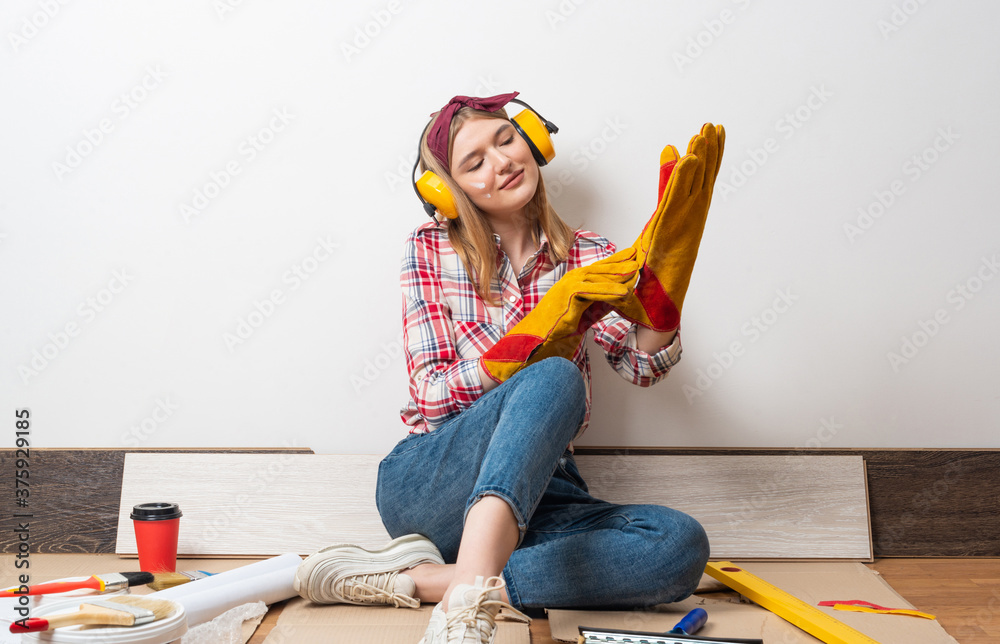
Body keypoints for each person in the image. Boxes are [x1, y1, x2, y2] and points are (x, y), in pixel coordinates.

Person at [294, 92, 723, 644]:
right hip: (433, 479)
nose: (502, 161)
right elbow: (429, 396)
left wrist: (665, 291)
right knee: (554, 374)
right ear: (448, 193)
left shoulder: (589, 254)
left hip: (548, 490)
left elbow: (640, 366)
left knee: (677, 546)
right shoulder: (429, 250)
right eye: (474, 163)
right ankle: (461, 618)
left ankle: (427, 582)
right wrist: (530, 340)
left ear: (533, 141)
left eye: (506, 140)